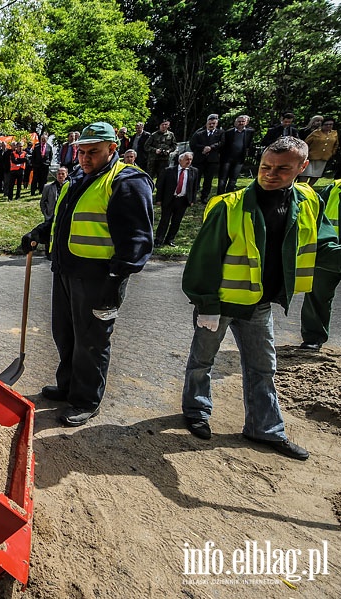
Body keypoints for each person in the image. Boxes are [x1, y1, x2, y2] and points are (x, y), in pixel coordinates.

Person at [181, 136, 341, 460]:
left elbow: (324, 246)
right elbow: (204, 259)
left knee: (262, 367)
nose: (270, 174)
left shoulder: (309, 201)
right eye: (265, 166)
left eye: (282, 169)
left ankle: (264, 429)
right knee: (202, 360)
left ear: (302, 167)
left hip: (259, 304)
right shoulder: (230, 205)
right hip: (222, 303)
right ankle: (196, 411)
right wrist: (206, 305)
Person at [21, 122, 154, 427]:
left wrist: (115, 281)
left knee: (92, 342)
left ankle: (85, 400)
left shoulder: (127, 181)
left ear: (112, 149)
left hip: (99, 280)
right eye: (81, 151)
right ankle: (68, 386)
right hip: (67, 273)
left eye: (93, 152)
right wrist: (39, 233)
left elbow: (137, 242)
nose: (84, 158)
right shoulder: (78, 179)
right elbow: (61, 220)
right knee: (66, 336)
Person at [300, 178, 341, 350]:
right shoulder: (334, 188)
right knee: (317, 295)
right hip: (329, 253)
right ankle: (313, 337)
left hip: (329, 252)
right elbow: (316, 214)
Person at [154, 152, 199, 247]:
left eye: (190, 159)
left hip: (182, 200)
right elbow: (161, 186)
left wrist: (192, 200)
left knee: (176, 222)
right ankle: (158, 240)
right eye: (187, 159)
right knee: (164, 220)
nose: (189, 161)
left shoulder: (194, 171)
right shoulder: (169, 171)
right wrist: (158, 199)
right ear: (180, 160)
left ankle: (170, 239)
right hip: (169, 199)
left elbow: (195, 187)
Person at [189, 114, 223, 202]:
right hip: (199, 160)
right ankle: (192, 197)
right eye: (210, 123)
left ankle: (204, 197)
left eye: (213, 123)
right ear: (207, 123)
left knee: (208, 180)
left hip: (212, 160)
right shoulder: (199, 133)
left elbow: (221, 143)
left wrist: (211, 147)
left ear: (217, 124)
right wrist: (203, 148)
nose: (211, 125)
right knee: (196, 179)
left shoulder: (221, 133)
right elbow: (193, 144)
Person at [217, 114, 255, 194]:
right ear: (235, 123)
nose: (241, 123)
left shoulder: (249, 132)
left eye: (243, 121)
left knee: (233, 178)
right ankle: (220, 195)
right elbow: (223, 145)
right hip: (226, 159)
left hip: (239, 159)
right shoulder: (228, 132)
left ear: (246, 123)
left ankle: (228, 194)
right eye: (239, 121)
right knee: (223, 178)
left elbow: (249, 144)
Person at [302, 116, 338, 185]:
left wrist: (332, 153)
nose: (328, 126)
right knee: (305, 173)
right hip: (311, 156)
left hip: (324, 157)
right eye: (326, 124)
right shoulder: (316, 133)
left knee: (317, 174)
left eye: (330, 124)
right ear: (322, 125)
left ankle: (310, 187)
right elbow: (306, 143)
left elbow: (336, 144)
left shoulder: (334, 133)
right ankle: (301, 187)